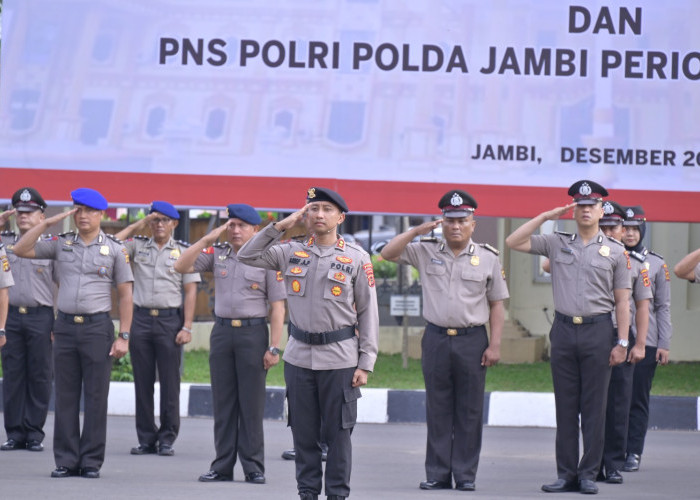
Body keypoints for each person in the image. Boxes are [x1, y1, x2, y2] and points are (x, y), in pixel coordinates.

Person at [238, 187, 379, 500]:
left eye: (327, 209)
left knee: (339, 435)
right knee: (304, 435)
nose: (318, 215)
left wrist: (365, 362)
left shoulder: (356, 258)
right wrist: (283, 224)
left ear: (341, 217)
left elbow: (368, 312)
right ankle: (308, 493)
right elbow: (245, 254)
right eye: (312, 209)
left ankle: (338, 495)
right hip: (299, 358)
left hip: (340, 359)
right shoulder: (289, 252)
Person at [505, 180, 631, 495]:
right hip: (563, 330)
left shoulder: (616, 251)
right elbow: (513, 241)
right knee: (565, 407)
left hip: (598, 330)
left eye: (592, 205)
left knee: (594, 407)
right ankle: (566, 474)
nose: (586, 210)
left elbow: (622, 301)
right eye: (580, 205)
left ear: (602, 210)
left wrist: (623, 341)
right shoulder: (557, 242)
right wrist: (547, 215)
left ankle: (588, 473)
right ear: (573, 209)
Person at [381, 189, 508, 492]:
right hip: (436, 337)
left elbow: (497, 304)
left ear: (472, 224)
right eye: (449, 220)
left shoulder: (488, 257)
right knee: (438, 408)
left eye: (462, 220)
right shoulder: (426, 250)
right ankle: (438, 473)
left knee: (469, 410)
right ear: (442, 222)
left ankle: (465, 475)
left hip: (472, 340)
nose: (455, 226)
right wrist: (416, 230)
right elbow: (387, 253)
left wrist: (495, 345)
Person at [13, 187, 134, 479]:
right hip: (65, 327)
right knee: (65, 397)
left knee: (95, 397)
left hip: (97, 329)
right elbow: (20, 249)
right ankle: (66, 459)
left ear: (101, 214)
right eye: (78, 210)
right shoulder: (61, 243)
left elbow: (126, 295)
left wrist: (124, 336)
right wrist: (46, 224)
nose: (83, 216)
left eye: (89, 211)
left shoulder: (116, 249)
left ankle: (91, 460)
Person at [173, 204, 285, 485]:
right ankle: (222, 466)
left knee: (251, 404)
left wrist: (274, 346)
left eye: (242, 226)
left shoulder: (267, 258)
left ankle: (253, 467)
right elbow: (181, 266)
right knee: (223, 404)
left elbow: (277, 306)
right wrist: (207, 239)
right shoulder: (218, 254)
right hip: (222, 334)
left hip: (252, 334)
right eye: (231, 225)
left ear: (255, 230)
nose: (235, 230)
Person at [115, 201, 200, 457]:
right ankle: (146, 438)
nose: (159, 225)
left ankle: (167, 438)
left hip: (169, 321)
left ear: (174, 223)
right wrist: (139, 222)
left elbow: (191, 291)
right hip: (140, 318)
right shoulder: (137, 246)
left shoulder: (184, 251)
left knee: (169, 382)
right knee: (142, 382)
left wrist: (187, 326)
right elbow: (112, 243)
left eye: (164, 220)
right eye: (155, 220)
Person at [596, 201, 650, 484]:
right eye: (601, 226)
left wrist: (639, 344)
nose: (607, 232)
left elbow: (642, 306)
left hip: (620, 336)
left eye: (612, 227)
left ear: (621, 229)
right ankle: (590, 464)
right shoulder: (585, 254)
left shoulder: (636, 264)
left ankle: (613, 463)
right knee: (592, 405)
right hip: (591, 336)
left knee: (618, 403)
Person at [0, 188, 56, 453]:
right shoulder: (4, 241)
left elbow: (63, 283)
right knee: (12, 376)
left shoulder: (49, 244)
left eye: (29, 212)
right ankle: (14, 433)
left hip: (40, 316)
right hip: (10, 317)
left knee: (39, 376)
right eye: (19, 212)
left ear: (41, 214)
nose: (23, 217)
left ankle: (34, 432)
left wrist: (58, 321)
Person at [622, 206, 672, 473]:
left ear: (642, 230)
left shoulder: (656, 263)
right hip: (614, 338)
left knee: (636, 399)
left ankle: (633, 452)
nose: (629, 233)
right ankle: (614, 450)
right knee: (613, 398)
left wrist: (664, 342)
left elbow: (663, 306)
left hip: (647, 339)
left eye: (634, 228)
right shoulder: (611, 256)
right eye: (625, 228)